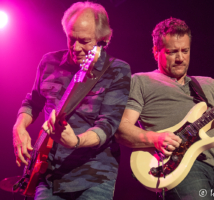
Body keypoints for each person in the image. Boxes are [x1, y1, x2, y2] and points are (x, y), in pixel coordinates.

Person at [115, 17, 214, 199]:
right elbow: (121, 129)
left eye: (185, 51)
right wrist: (156, 138)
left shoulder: (209, 85)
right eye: (172, 52)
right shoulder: (141, 81)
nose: (180, 58)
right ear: (156, 51)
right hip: (179, 169)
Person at [12, 2, 131, 200]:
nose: (75, 48)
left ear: (103, 39)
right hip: (47, 176)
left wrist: (76, 141)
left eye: (84, 41)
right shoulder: (48, 62)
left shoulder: (117, 70)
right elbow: (32, 102)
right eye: (71, 39)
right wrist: (19, 129)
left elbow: (108, 125)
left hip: (93, 177)